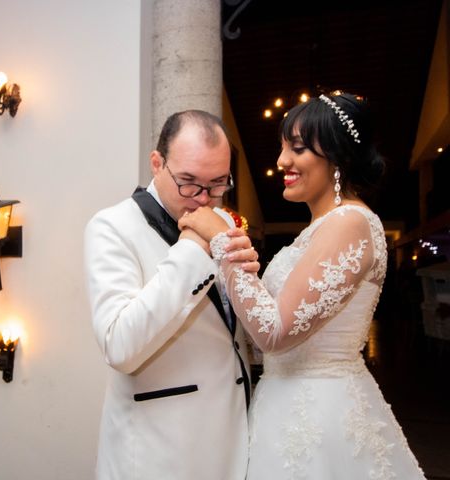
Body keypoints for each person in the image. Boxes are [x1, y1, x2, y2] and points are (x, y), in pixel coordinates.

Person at [179, 92, 426, 479]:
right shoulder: (319, 229)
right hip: (284, 403)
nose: (281, 161)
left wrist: (221, 241)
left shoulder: (350, 223)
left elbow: (275, 332)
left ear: (338, 157)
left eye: (297, 148)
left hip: (320, 415)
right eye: (282, 147)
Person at [84, 110, 258, 480]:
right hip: (159, 447)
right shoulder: (111, 227)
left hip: (231, 431)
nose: (203, 200)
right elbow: (119, 345)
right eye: (189, 182)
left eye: (217, 184)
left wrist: (249, 283)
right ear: (157, 163)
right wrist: (194, 247)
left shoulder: (223, 221)